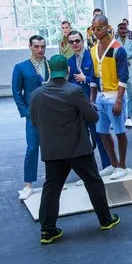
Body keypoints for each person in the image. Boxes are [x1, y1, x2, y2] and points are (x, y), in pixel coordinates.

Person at [29, 54, 121, 245]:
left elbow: (35, 121)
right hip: (78, 149)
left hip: (52, 151)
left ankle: (47, 231)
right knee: (93, 182)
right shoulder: (74, 91)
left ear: (50, 69)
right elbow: (92, 118)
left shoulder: (36, 94)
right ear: (67, 70)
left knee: (51, 189)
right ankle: (105, 220)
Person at [90, 14, 130, 181]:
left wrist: (119, 100)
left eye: (99, 28)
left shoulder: (117, 49)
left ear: (107, 28)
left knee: (119, 132)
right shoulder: (93, 49)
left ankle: (122, 165)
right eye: (93, 29)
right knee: (102, 132)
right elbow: (93, 76)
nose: (96, 32)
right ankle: (113, 163)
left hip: (115, 96)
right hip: (100, 97)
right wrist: (92, 99)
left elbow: (123, 76)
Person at [12, 35, 50, 200]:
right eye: (36, 46)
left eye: (42, 46)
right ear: (30, 47)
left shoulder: (50, 64)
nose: (40, 50)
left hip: (52, 114)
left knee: (52, 148)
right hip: (33, 115)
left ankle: (54, 181)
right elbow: (16, 92)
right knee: (33, 148)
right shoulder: (21, 67)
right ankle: (28, 184)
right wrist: (26, 112)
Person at [66, 30, 110, 172]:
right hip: (78, 108)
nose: (75, 44)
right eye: (71, 42)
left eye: (77, 41)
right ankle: (90, 171)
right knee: (83, 141)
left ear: (82, 41)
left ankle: (108, 166)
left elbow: (101, 79)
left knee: (100, 135)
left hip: (94, 104)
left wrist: (85, 79)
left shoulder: (93, 57)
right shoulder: (69, 62)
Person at [115, 22, 132, 127]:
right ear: (118, 30)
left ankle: (129, 117)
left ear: (127, 30)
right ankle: (119, 116)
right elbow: (113, 54)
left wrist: (123, 55)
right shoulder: (114, 43)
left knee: (130, 95)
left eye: (125, 29)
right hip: (118, 71)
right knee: (118, 95)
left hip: (130, 71)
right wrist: (124, 56)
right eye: (121, 28)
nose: (123, 30)